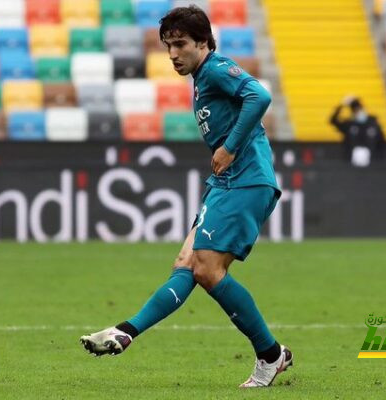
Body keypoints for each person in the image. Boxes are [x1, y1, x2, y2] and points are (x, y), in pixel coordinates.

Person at [80, 5, 293, 388]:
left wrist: (228, 147)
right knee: (186, 263)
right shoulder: (200, 76)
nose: (173, 54)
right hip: (226, 183)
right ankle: (126, 331)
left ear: (203, 42)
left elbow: (259, 96)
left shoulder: (214, 68)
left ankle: (270, 355)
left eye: (180, 44)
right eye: (168, 46)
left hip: (247, 180)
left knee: (208, 270)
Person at [329, 96, 386, 167]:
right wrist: (341, 105)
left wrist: (379, 157)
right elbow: (333, 121)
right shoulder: (349, 124)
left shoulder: (372, 122)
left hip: (372, 161)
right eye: (355, 110)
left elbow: (382, 140)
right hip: (350, 161)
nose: (358, 112)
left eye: (359, 109)